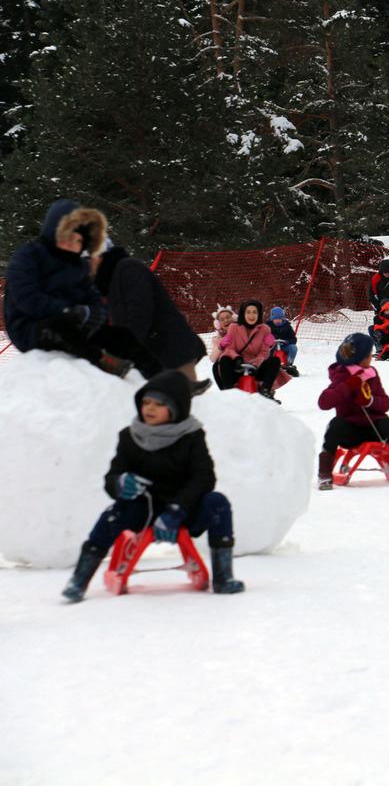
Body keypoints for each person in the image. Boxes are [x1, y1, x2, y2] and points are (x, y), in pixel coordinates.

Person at [61, 370, 245, 602]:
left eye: (159, 404)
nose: (149, 408)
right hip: (143, 509)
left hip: (183, 509)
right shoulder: (130, 436)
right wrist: (120, 484)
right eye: (146, 402)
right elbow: (112, 475)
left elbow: (204, 478)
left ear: (176, 408)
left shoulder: (192, 436)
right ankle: (79, 579)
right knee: (111, 515)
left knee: (217, 502)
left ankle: (223, 577)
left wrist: (178, 509)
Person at [3, 199, 131, 376]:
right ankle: (99, 359)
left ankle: (147, 375)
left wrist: (93, 313)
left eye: (78, 240)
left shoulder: (78, 265)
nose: (72, 244)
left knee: (117, 334)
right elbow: (27, 298)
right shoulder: (29, 256)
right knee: (58, 326)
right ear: (55, 233)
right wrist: (66, 310)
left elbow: (93, 297)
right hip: (29, 327)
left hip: (70, 323)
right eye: (67, 237)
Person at [87, 242, 211, 392]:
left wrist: (125, 350)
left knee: (180, 404)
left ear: (100, 256)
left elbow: (140, 313)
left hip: (171, 350)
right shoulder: (106, 282)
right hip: (148, 355)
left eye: (88, 259)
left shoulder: (128, 268)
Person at [316, 333, 389, 489]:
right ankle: (324, 475)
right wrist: (348, 386)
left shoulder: (371, 374)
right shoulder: (341, 375)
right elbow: (324, 402)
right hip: (350, 430)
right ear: (358, 357)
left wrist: (370, 401)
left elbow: (385, 403)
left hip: (374, 427)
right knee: (335, 425)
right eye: (368, 355)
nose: (371, 357)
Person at [213, 299, 283, 398]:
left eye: (254, 312)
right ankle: (228, 393)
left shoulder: (265, 329)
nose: (251, 315)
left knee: (275, 360)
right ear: (243, 313)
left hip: (256, 367)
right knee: (224, 360)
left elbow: (264, 352)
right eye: (248, 312)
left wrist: (255, 364)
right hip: (238, 366)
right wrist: (237, 358)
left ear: (259, 314)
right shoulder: (234, 327)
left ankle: (265, 390)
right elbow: (229, 349)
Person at [267, 307, 300, 377]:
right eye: (275, 319)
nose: (277, 320)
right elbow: (265, 337)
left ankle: (288, 364)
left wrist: (287, 341)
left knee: (293, 348)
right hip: (273, 347)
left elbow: (293, 339)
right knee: (266, 351)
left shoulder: (287, 327)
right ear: (272, 319)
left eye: (279, 319)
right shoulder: (268, 327)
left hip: (285, 346)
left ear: (282, 318)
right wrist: (271, 341)